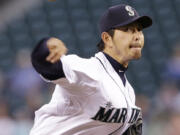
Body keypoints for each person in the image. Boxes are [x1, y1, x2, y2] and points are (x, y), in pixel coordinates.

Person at [29, 4, 152, 135]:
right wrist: (46, 48)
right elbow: (46, 66)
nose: (137, 36)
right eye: (128, 30)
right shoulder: (89, 69)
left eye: (139, 29)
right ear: (107, 38)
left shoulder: (128, 92)